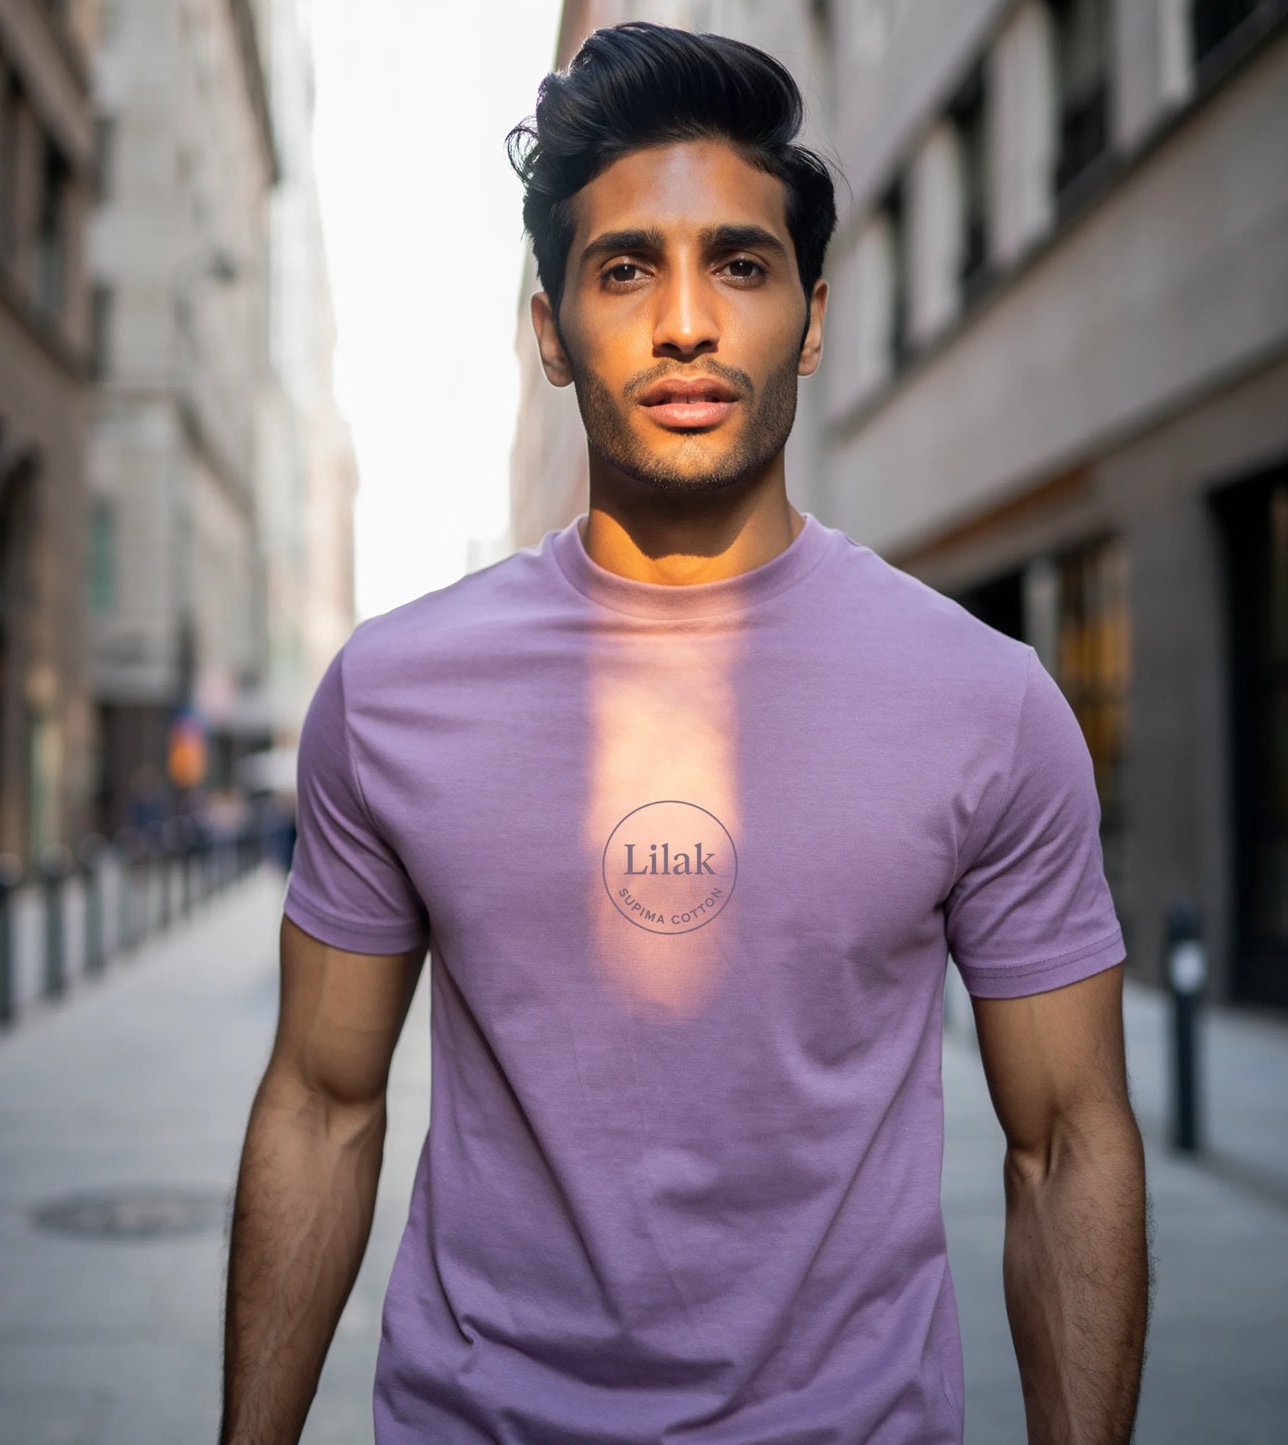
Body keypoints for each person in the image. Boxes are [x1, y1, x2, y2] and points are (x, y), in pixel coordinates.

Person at [220, 22, 1149, 1444]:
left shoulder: (985, 697)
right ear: (549, 332)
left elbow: (1067, 1143)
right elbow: (322, 1103)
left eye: (739, 262)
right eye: (622, 269)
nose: (686, 322)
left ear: (813, 318)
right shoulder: (393, 690)